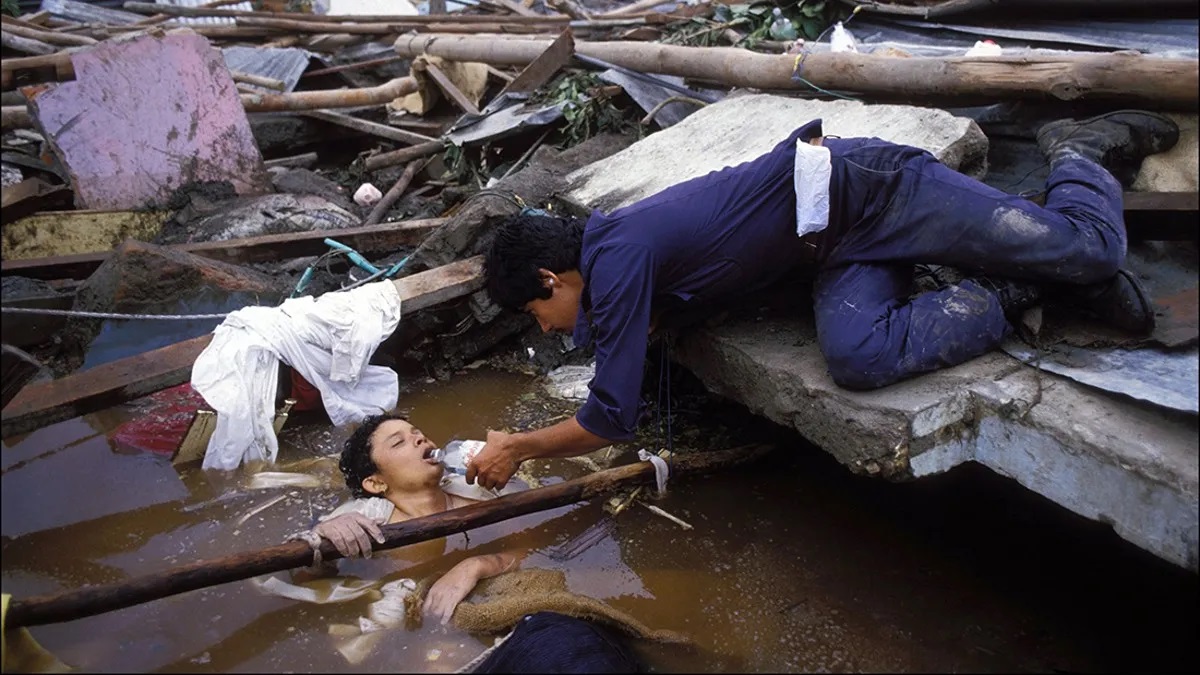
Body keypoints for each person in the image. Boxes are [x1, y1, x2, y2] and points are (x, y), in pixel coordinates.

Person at [465, 111, 1180, 490]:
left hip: (876, 190)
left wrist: (519, 447)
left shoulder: (616, 258)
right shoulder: (616, 257)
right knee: (858, 355)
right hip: (838, 248)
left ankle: (1079, 152)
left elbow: (610, 417)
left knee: (1093, 247)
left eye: (538, 315)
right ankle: (1021, 284)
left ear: (552, 280)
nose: (554, 329)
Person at [305, 413, 523, 624]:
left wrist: (478, 565)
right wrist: (326, 533)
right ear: (376, 483)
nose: (421, 438)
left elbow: (532, 544)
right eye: (398, 443)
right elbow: (307, 579)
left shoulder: (478, 492)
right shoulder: (368, 520)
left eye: (417, 433)